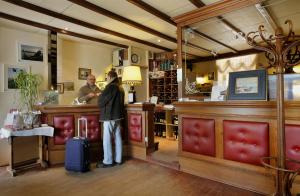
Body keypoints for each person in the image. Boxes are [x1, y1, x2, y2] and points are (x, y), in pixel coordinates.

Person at [97, 69, 124, 168]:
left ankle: (108, 161)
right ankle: (118, 159)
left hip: (110, 116)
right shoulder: (120, 87)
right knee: (117, 136)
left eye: (107, 78)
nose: (106, 79)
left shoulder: (110, 87)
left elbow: (101, 102)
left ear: (110, 77)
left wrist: (100, 96)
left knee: (107, 138)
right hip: (118, 116)